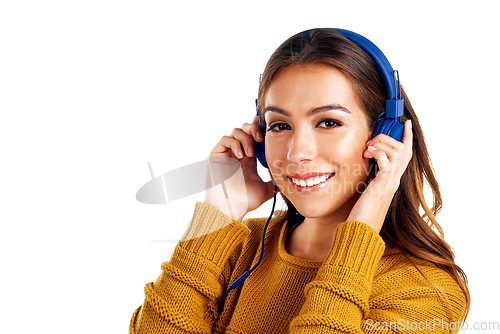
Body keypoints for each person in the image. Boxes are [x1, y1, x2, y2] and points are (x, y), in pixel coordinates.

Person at [129, 28, 470, 333]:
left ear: (386, 134)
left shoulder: (426, 289)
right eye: (279, 125)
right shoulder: (235, 250)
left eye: (328, 122)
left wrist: (361, 231)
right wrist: (217, 216)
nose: (296, 153)